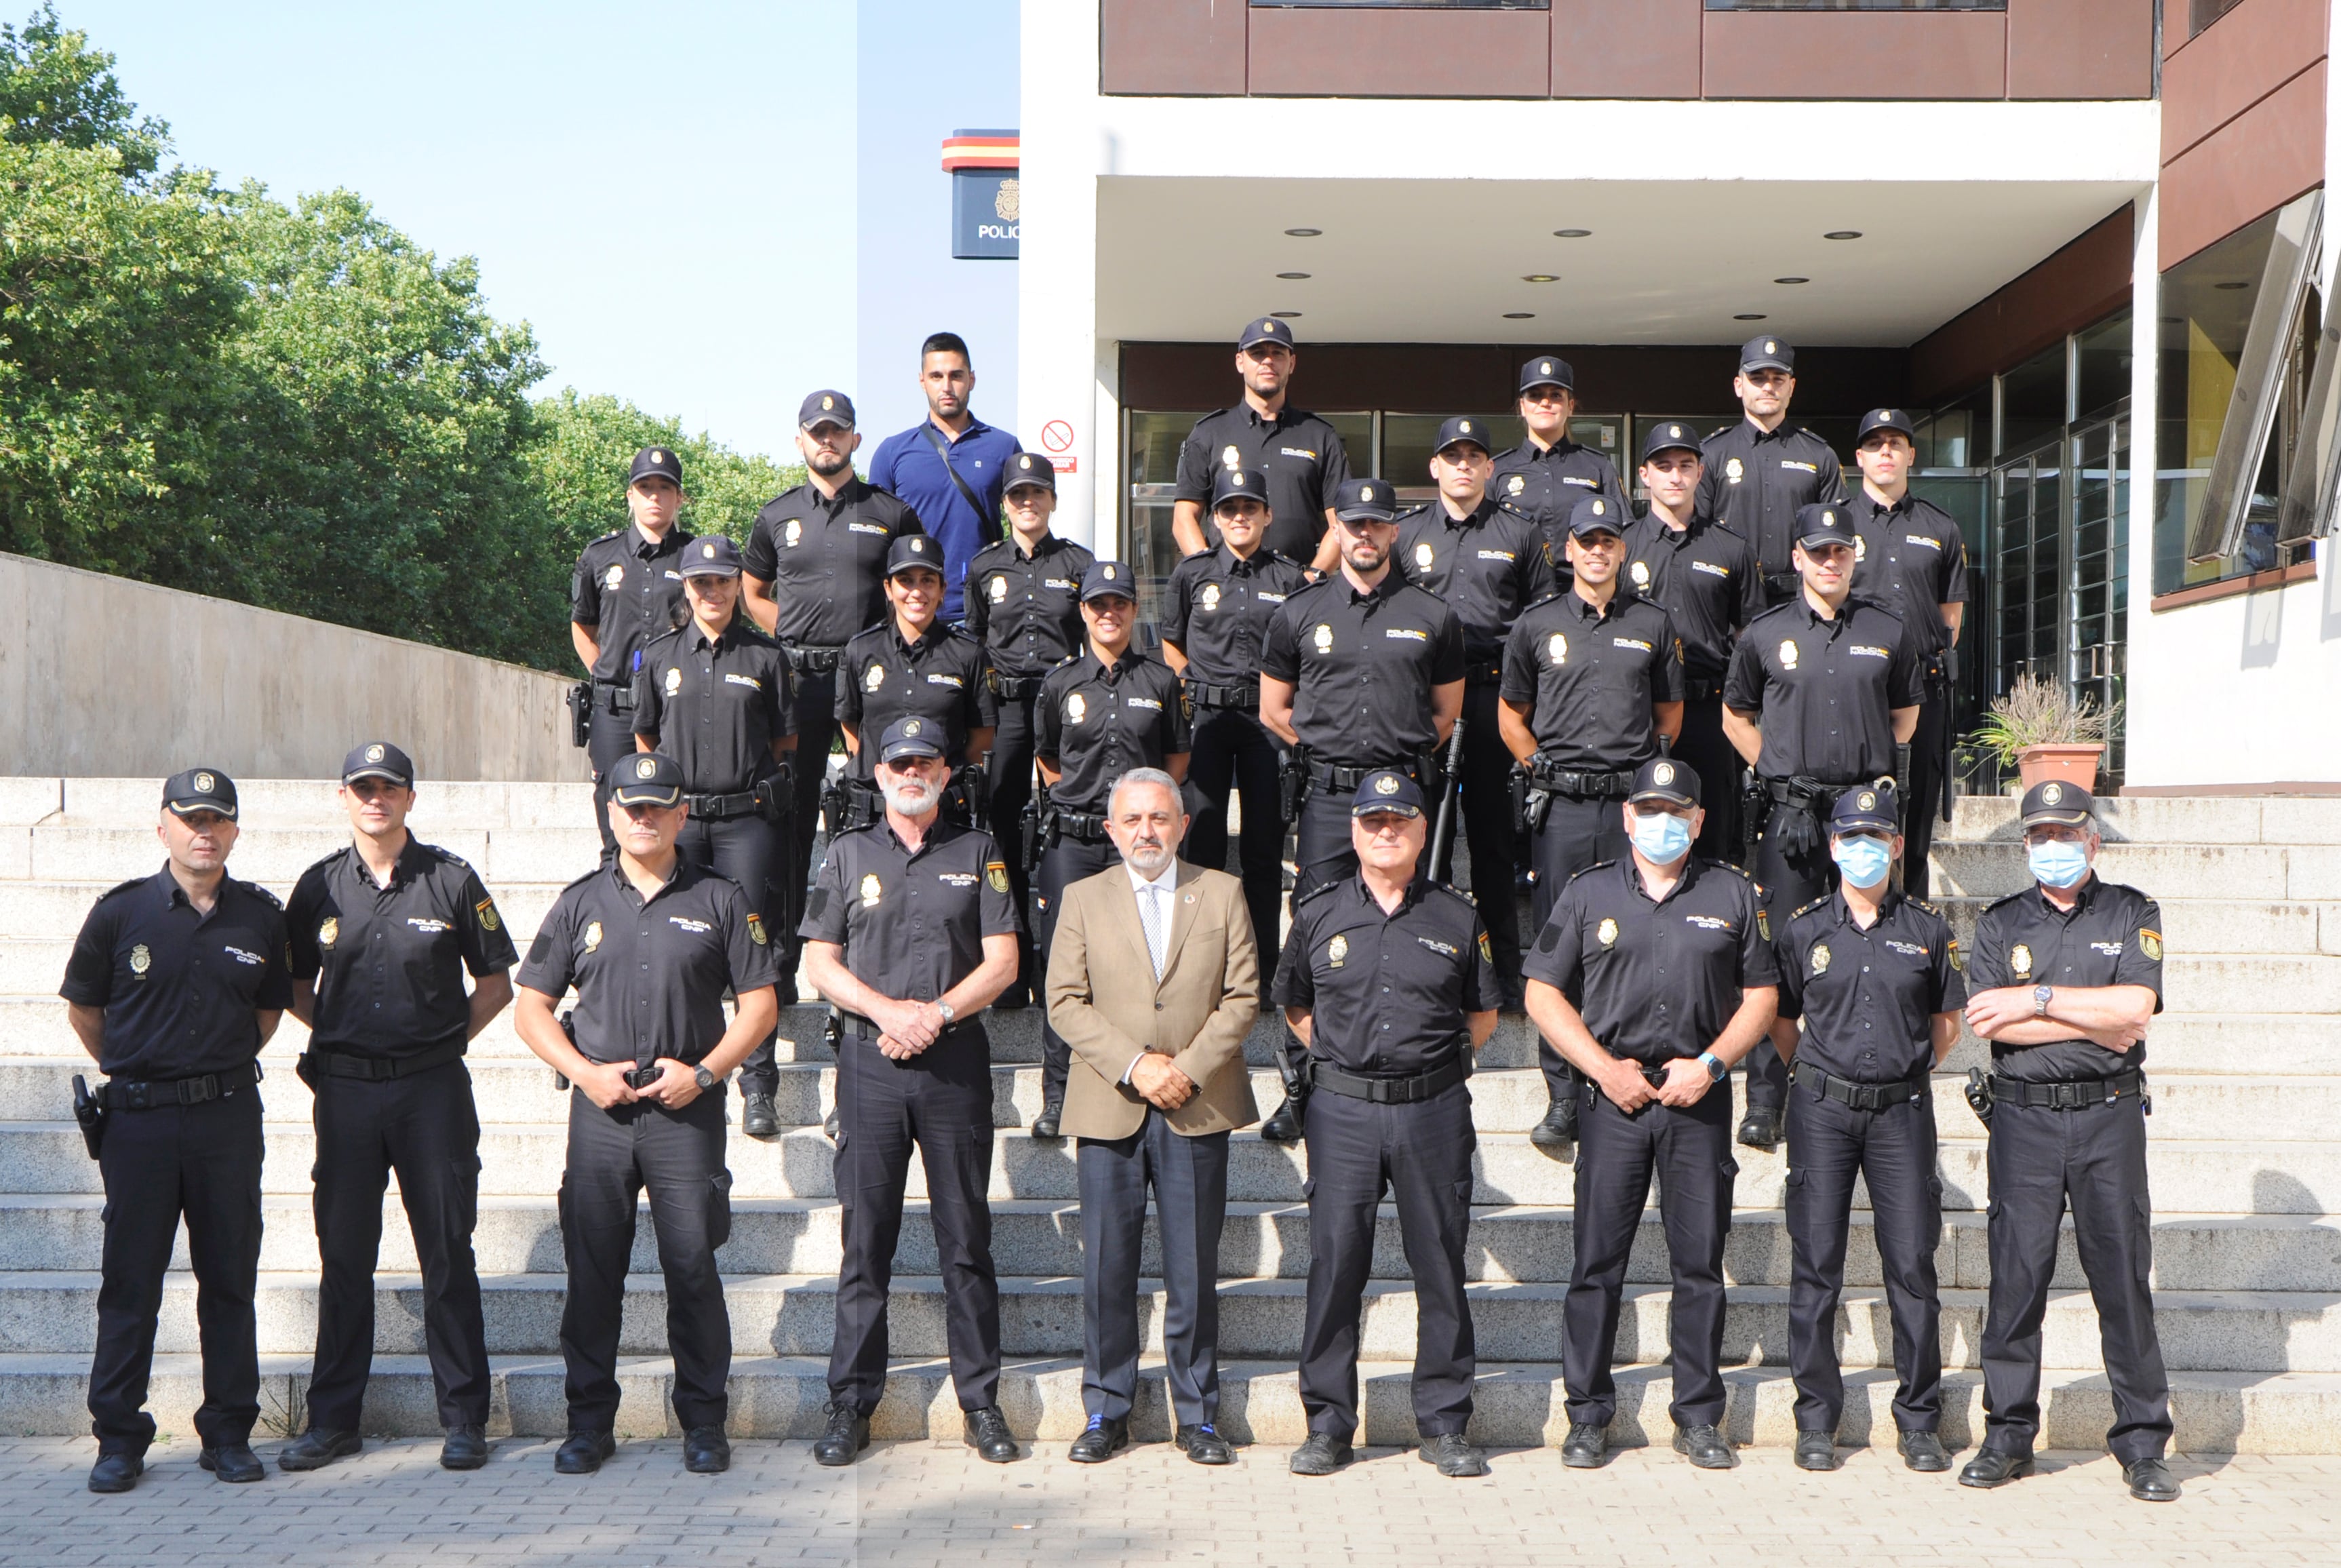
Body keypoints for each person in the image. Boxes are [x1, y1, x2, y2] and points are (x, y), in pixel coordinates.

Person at [511, 751, 782, 1476]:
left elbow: (760, 1003)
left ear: (680, 814)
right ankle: (588, 1424)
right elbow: (529, 1007)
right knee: (592, 1273)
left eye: (657, 805)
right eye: (631, 805)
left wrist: (705, 1072)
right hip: (600, 1114)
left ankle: (702, 1422)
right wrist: (582, 1072)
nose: (643, 816)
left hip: (684, 1113)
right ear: (611, 813)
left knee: (691, 1268)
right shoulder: (577, 903)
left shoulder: (721, 898)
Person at [1522, 758, 1778, 1473]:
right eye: (1650, 810)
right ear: (1627, 817)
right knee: (1595, 1264)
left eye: (1678, 811)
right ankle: (1586, 1415)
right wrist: (1600, 1067)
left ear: (1697, 820)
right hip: (1614, 1098)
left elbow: (1761, 994)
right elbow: (1541, 991)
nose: (1663, 822)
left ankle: (1697, 1416)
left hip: (1697, 1096)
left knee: (1698, 1265)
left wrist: (1713, 1064)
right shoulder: (1584, 892)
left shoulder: (1732, 892)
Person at [278, 743, 514, 1475]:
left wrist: (438, 1041)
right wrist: (345, 1034)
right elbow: (291, 983)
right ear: (342, 796)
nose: (375, 798)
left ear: (410, 797)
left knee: (447, 1251)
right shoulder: (317, 887)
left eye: (389, 787)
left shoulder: (450, 879)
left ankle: (465, 1418)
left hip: (431, 1090)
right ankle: (332, 1422)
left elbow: (496, 982)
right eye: (362, 787)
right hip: (345, 1092)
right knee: (343, 1256)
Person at [799, 718, 1024, 1468]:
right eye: (899, 760)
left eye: (926, 758)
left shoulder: (978, 850)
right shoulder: (847, 852)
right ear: (879, 770)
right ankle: (849, 1402)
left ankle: (980, 1403)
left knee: (966, 1241)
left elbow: (1002, 961)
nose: (911, 770)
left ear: (945, 769)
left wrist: (933, 1014)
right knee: (865, 1241)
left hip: (954, 1065)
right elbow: (819, 962)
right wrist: (887, 1011)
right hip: (868, 1066)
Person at [62, 768, 294, 1493]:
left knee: (230, 1278)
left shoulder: (259, 917)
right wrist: (137, 1075)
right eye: (190, 816)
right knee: (130, 1282)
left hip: (226, 1119)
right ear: (162, 823)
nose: (204, 829)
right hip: (138, 1123)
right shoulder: (121, 914)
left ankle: (227, 1432)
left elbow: (267, 1013)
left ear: (234, 830)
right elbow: (85, 1011)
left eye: (218, 818)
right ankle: (120, 1438)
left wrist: (209, 1076)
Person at [1274, 770, 1501, 1479]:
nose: (1384, 830)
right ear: (1353, 830)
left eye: (1398, 820)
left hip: (1432, 1109)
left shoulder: (1457, 916)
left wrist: (1425, 1066)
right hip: (1341, 1111)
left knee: (1439, 1264)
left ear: (1421, 830)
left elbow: (1483, 1013)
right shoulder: (1315, 912)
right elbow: (1294, 1003)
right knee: (1336, 1264)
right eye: (1372, 820)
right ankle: (1327, 1423)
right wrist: (1344, 1062)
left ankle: (1443, 1421)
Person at [1957, 781, 2177, 1503]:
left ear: (2092, 839)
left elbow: (2135, 1008)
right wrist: (2091, 1017)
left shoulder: (2130, 910)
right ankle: (2007, 1433)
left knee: (2120, 1280)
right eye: (2038, 834)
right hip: (2021, 1121)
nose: (2051, 845)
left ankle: (2142, 1442)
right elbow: (1992, 1021)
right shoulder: (1996, 924)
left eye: (2064, 832)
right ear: (2024, 844)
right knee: (2015, 1280)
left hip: (2106, 1119)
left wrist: (2038, 997)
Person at [1044, 768, 1259, 1466]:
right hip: (1109, 1102)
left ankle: (1196, 1415)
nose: (1145, 830)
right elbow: (1064, 1000)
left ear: (1181, 825)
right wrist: (1137, 1063)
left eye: (1158, 818)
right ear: (1109, 829)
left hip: (1196, 1103)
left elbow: (1242, 995)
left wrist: (1185, 1068)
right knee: (1106, 1267)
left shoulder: (1221, 892)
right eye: (1132, 819)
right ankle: (1106, 1407)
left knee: (1193, 1268)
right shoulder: (1081, 897)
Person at [1257, 477, 1465, 1143]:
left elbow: (1445, 713)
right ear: (1336, 530)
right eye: (1354, 524)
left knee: (1403, 924)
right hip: (1327, 794)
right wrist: (1330, 758)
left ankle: (1405, 1057)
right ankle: (1302, 1078)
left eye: (1377, 524)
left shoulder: (1433, 615)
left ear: (1393, 531)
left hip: (1402, 793)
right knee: (1316, 923)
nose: (1365, 535)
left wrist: (1390, 771)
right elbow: (1273, 710)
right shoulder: (1297, 612)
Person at [1768, 784, 1963, 1474]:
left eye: (1874, 836)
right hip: (1820, 1110)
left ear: (1896, 844)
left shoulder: (1928, 930)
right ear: (1830, 846)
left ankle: (1918, 1421)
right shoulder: (1800, 929)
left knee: (1911, 1265)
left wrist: (1893, 1073)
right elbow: (1784, 1020)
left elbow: (1944, 1028)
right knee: (1815, 1264)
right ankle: (1814, 1421)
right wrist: (1826, 1075)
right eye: (1849, 837)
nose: (1861, 848)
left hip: (1900, 1112)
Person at [1721, 503, 1921, 1150]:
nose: (1830, 562)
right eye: (1818, 551)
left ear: (1853, 557)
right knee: (1777, 953)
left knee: (1868, 943)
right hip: (1792, 818)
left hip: (1862, 813)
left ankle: (1873, 1069)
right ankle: (1766, 1098)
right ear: (1797, 558)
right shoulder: (1763, 632)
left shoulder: (1888, 630)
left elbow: (1906, 716)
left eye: (1840, 551)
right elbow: (1736, 717)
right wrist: (1781, 776)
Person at [1499, 494, 1684, 1151]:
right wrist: (1538, 768)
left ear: (1621, 548)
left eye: (1608, 540)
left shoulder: (1653, 623)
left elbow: (1669, 716)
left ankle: (1629, 1065)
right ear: (1568, 549)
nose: (1598, 550)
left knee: (1634, 937)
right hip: (1565, 809)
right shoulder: (1535, 624)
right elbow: (1509, 714)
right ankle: (1561, 1092)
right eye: (1587, 540)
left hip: (1632, 809)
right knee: (1561, 951)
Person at [741, 389, 924, 998]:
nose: (827, 440)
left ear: (855, 440)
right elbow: (754, 590)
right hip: (797, 684)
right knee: (790, 820)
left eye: (837, 431)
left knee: (876, 811)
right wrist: (790, 637)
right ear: (800, 440)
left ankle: (875, 957)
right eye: (817, 432)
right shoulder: (775, 516)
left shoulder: (890, 513)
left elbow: (911, 587)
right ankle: (786, 963)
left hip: (871, 683)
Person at [632, 534, 798, 1139]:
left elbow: (785, 741)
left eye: (723, 581)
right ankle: (679, 1060)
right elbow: (645, 738)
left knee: (755, 950)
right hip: (681, 823)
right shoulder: (659, 657)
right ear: (687, 587)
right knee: (678, 941)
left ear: (737, 585)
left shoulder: (766, 657)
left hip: (746, 823)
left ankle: (758, 1084)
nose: (712, 591)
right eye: (701, 582)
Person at [1393, 414, 1556, 995]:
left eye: (1474, 456)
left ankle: (1506, 971)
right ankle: (1423, 966)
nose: (1464, 465)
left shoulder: (1519, 533)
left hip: (1491, 698)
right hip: (1425, 701)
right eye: (1452, 456)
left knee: (1491, 842)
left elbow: (1543, 620)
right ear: (1434, 466)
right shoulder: (1406, 535)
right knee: (1419, 833)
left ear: (1491, 468)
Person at [1028, 562, 1192, 1139]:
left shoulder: (1162, 682)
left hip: (1142, 849)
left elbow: (1176, 759)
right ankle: (1056, 1094)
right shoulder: (1060, 683)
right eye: (1098, 604)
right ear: (1083, 612)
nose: (1109, 614)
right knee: (1063, 968)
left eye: (1119, 603)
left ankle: (1148, 1075)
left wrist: (1139, 820)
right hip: (1074, 842)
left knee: (1148, 961)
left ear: (1132, 609)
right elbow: (1049, 759)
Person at [1160, 467, 1311, 988]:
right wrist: (1186, 685)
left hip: (1265, 724)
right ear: (1216, 518)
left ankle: (1265, 967)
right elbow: (1173, 641)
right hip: (1207, 720)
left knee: (1264, 850)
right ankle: (1203, 968)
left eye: (1250, 508)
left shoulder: (1289, 579)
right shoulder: (1192, 573)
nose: (1239, 517)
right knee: (1201, 844)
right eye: (1228, 509)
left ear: (1268, 516)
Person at [964, 450, 1095, 1007]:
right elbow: (972, 646)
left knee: (1070, 830)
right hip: (1009, 711)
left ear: (1052, 501)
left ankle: (1067, 973)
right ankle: (1014, 969)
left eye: (1037, 493)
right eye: (1018, 495)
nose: (1028, 503)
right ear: (1005, 505)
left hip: (1067, 711)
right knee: (1006, 835)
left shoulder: (1080, 564)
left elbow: (1096, 641)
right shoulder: (984, 566)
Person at [1621, 422, 1762, 863]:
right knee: (1639, 827)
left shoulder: (1730, 548)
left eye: (1685, 466)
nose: (1675, 476)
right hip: (1638, 711)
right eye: (1664, 466)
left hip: (1709, 709)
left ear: (1701, 473)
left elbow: (1753, 639)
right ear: (1645, 474)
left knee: (1715, 830)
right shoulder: (1622, 546)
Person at [1844, 408, 1969, 900]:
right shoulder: (1838, 523)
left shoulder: (1941, 526)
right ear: (1860, 458)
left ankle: (1911, 916)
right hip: (1858, 690)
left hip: (1925, 688)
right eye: (1875, 445)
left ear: (1911, 455)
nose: (1886, 453)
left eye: (1896, 444)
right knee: (1856, 804)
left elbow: (1951, 619)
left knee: (1915, 813)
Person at [570, 446, 696, 855]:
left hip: (675, 707)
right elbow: (582, 625)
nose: (655, 496)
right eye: (645, 487)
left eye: (665, 487)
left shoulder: (694, 557)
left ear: (680, 498)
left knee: (675, 809)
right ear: (630, 495)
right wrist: (604, 673)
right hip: (615, 711)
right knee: (616, 813)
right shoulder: (600, 555)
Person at [834, 533, 996, 831]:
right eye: (906, 580)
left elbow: (981, 738)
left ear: (942, 589)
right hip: (873, 813)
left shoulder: (968, 654)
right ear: (888, 588)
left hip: (944, 813)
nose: (916, 591)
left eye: (927, 581)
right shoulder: (860, 651)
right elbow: (851, 727)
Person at [1171, 316, 1353, 571]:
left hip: (1298, 591)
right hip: (1228, 592)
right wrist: (1208, 576)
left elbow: (1341, 523)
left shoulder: (1320, 436)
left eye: (1277, 353)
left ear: (1292, 363)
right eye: (1257, 353)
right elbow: (1184, 519)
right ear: (1240, 362)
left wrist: (1313, 578)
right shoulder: (1209, 433)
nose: (1268, 361)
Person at [869, 332, 1023, 622]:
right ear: (922, 381)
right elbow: (875, 545)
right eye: (937, 376)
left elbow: (1026, 526)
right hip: (914, 613)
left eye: (956, 376)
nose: (947, 386)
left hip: (985, 612)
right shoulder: (893, 452)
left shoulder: (1004, 447)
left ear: (972, 379)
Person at [1695, 338, 1845, 604]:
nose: (1768, 387)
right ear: (1739, 386)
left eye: (1778, 379)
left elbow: (1838, 535)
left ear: (1792, 387)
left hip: (1799, 600)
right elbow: (1696, 532)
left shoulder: (1819, 454)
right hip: (1729, 599)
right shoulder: (1712, 453)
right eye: (1757, 378)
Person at [1489, 355, 1632, 576]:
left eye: (1555, 395)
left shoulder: (1597, 467)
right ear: (1523, 407)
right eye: (1535, 396)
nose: (1545, 403)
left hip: (1579, 591)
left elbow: (1625, 532)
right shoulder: (1497, 470)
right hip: (1514, 594)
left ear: (1570, 406)